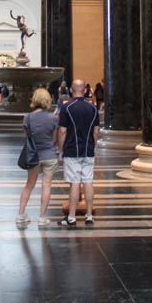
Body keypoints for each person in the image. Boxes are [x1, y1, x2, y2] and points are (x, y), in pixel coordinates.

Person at [57, 79, 100, 228]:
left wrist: (60, 149)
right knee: (88, 181)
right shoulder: (93, 108)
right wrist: (92, 147)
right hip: (88, 150)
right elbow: (96, 131)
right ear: (85, 90)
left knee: (74, 183)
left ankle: (72, 217)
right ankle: (89, 216)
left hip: (72, 150)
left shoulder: (67, 108)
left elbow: (62, 131)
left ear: (71, 89)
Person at [16, 88, 59, 228]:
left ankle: (21, 214)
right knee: (46, 185)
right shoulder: (53, 118)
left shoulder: (27, 117)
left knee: (29, 185)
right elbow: (54, 138)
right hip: (50, 155)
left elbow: (27, 137)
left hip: (34, 155)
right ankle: (42, 217)